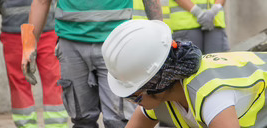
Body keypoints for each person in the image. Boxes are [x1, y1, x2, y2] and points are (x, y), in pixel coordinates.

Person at [101, 20, 267, 128]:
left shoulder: (211, 97)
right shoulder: (158, 98)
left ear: (157, 83)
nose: (135, 103)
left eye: (133, 97)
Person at [25, 0, 163, 127]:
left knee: (118, 120)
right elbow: (41, 1)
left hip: (115, 41)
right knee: (84, 119)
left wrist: (161, 41)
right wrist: (28, 46)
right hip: (73, 42)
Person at [0, 0, 68, 128]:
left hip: (18, 27)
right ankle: (55, 125)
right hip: (41, 27)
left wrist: (6, 8)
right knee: (53, 80)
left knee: (21, 82)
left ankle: (29, 125)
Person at [133, 0, 230, 54]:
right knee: (191, 71)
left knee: (218, 66)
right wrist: (197, 12)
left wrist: (215, 9)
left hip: (214, 21)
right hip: (186, 23)